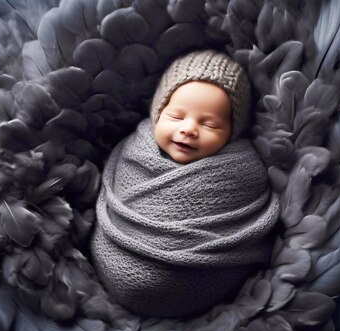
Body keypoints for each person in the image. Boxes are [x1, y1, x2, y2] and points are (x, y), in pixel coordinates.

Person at [91, 50, 280, 317]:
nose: (189, 129)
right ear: (158, 112)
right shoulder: (134, 149)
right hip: (113, 260)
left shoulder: (240, 170)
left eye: (210, 124)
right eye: (177, 117)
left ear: (232, 133)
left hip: (200, 282)